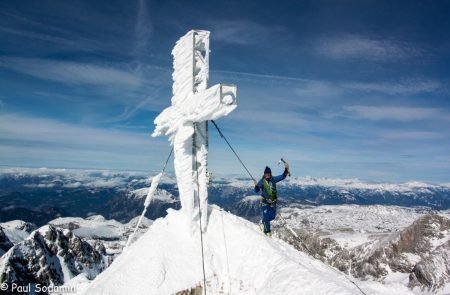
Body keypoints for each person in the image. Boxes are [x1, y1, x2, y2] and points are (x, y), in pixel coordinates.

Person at [254, 163, 289, 236]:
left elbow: (282, 176)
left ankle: (263, 222)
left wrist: (286, 169)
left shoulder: (273, 179)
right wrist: (256, 186)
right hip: (265, 202)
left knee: (272, 216)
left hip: (273, 202)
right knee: (266, 216)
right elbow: (256, 190)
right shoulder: (262, 181)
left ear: (270, 173)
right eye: (266, 173)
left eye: (268, 173)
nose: (267, 175)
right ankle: (268, 232)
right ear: (264, 174)